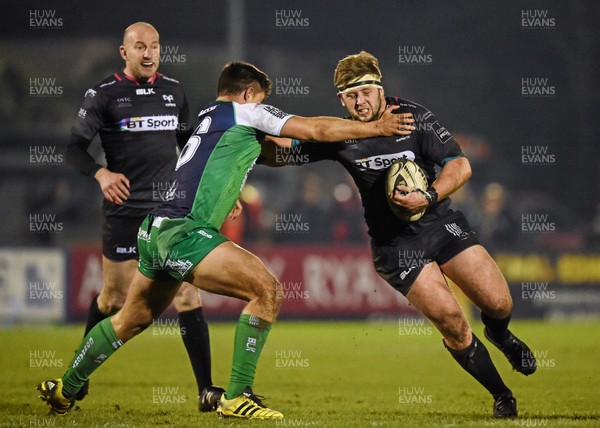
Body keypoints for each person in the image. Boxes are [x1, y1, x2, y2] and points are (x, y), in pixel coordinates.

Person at [37, 61, 414, 420]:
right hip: (185, 230)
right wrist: (376, 129)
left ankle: (65, 389)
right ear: (249, 93)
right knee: (267, 291)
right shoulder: (246, 112)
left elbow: (266, 155)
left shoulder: (208, 117)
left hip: (156, 231)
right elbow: (314, 129)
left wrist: (315, 154)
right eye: (262, 100)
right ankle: (238, 396)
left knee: (132, 318)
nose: (265, 108)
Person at [260, 51, 536, 418]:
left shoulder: (413, 117)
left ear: (380, 88)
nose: (359, 102)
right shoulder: (341, 135)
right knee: (452, 322)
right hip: (396, 245)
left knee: (499, 303)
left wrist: (430, 195)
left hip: (439, 223)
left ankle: (500, 335)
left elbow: (460, 164)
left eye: (365, 92)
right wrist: (242, 146)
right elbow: (283, 153)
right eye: (350, 96)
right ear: (341, 100)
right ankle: (502, 394)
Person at [64, 22, 224, 411]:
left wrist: (214, 190)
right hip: (124, 211)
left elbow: (191, 149)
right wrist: (100, 173)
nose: (148, 53)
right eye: (139, 47)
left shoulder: (175, 91)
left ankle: (206, 390)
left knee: (188, 292)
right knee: (113, 299)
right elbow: (73, 149)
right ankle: (78, 374)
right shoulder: (103, 95)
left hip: (167, 213)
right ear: (124, 52)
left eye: (154, 46)